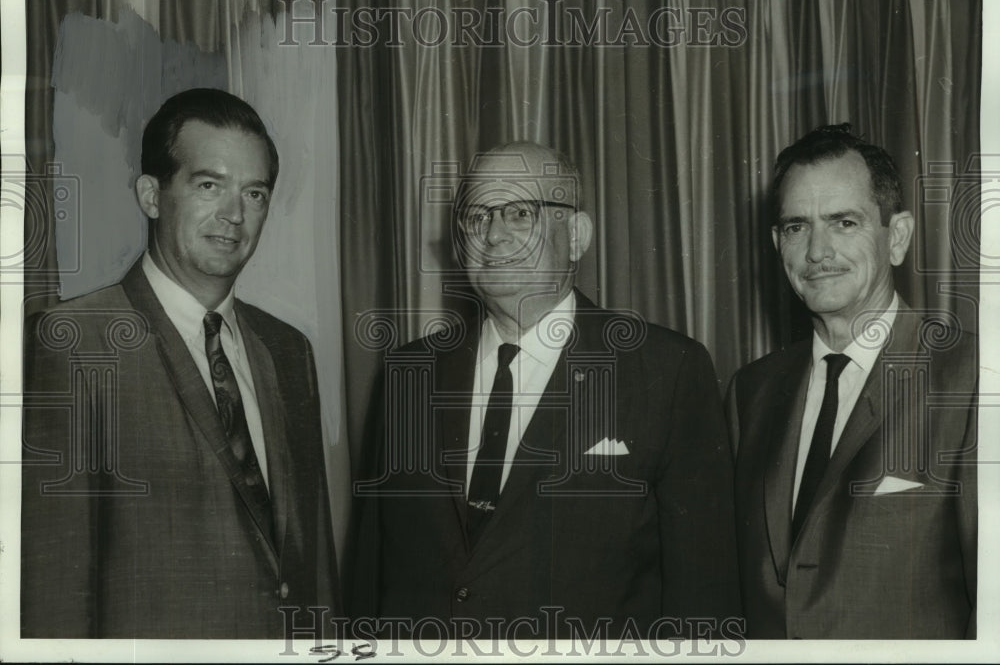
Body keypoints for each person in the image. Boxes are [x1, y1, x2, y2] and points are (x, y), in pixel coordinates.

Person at [352, 141, 741, 641]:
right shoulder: (409, 372)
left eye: (519, 213)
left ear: (576, 235)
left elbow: (703, 599)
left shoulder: (666, 371)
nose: (494, 235)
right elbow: (371, 577)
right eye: (476, 217)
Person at [21, 88, 340, 638]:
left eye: (255, 193)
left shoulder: (289, 351)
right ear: (151, 195)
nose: (234, 215)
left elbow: (315, 572)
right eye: (209, 185)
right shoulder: (73, 343)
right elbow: (54, 588)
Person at [727, 124, 977, 638]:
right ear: (778, 245)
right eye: (797, 226)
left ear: (898, 237)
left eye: (844, 222)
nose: (818, 252)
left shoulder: (972, 378)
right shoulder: (751, 391)